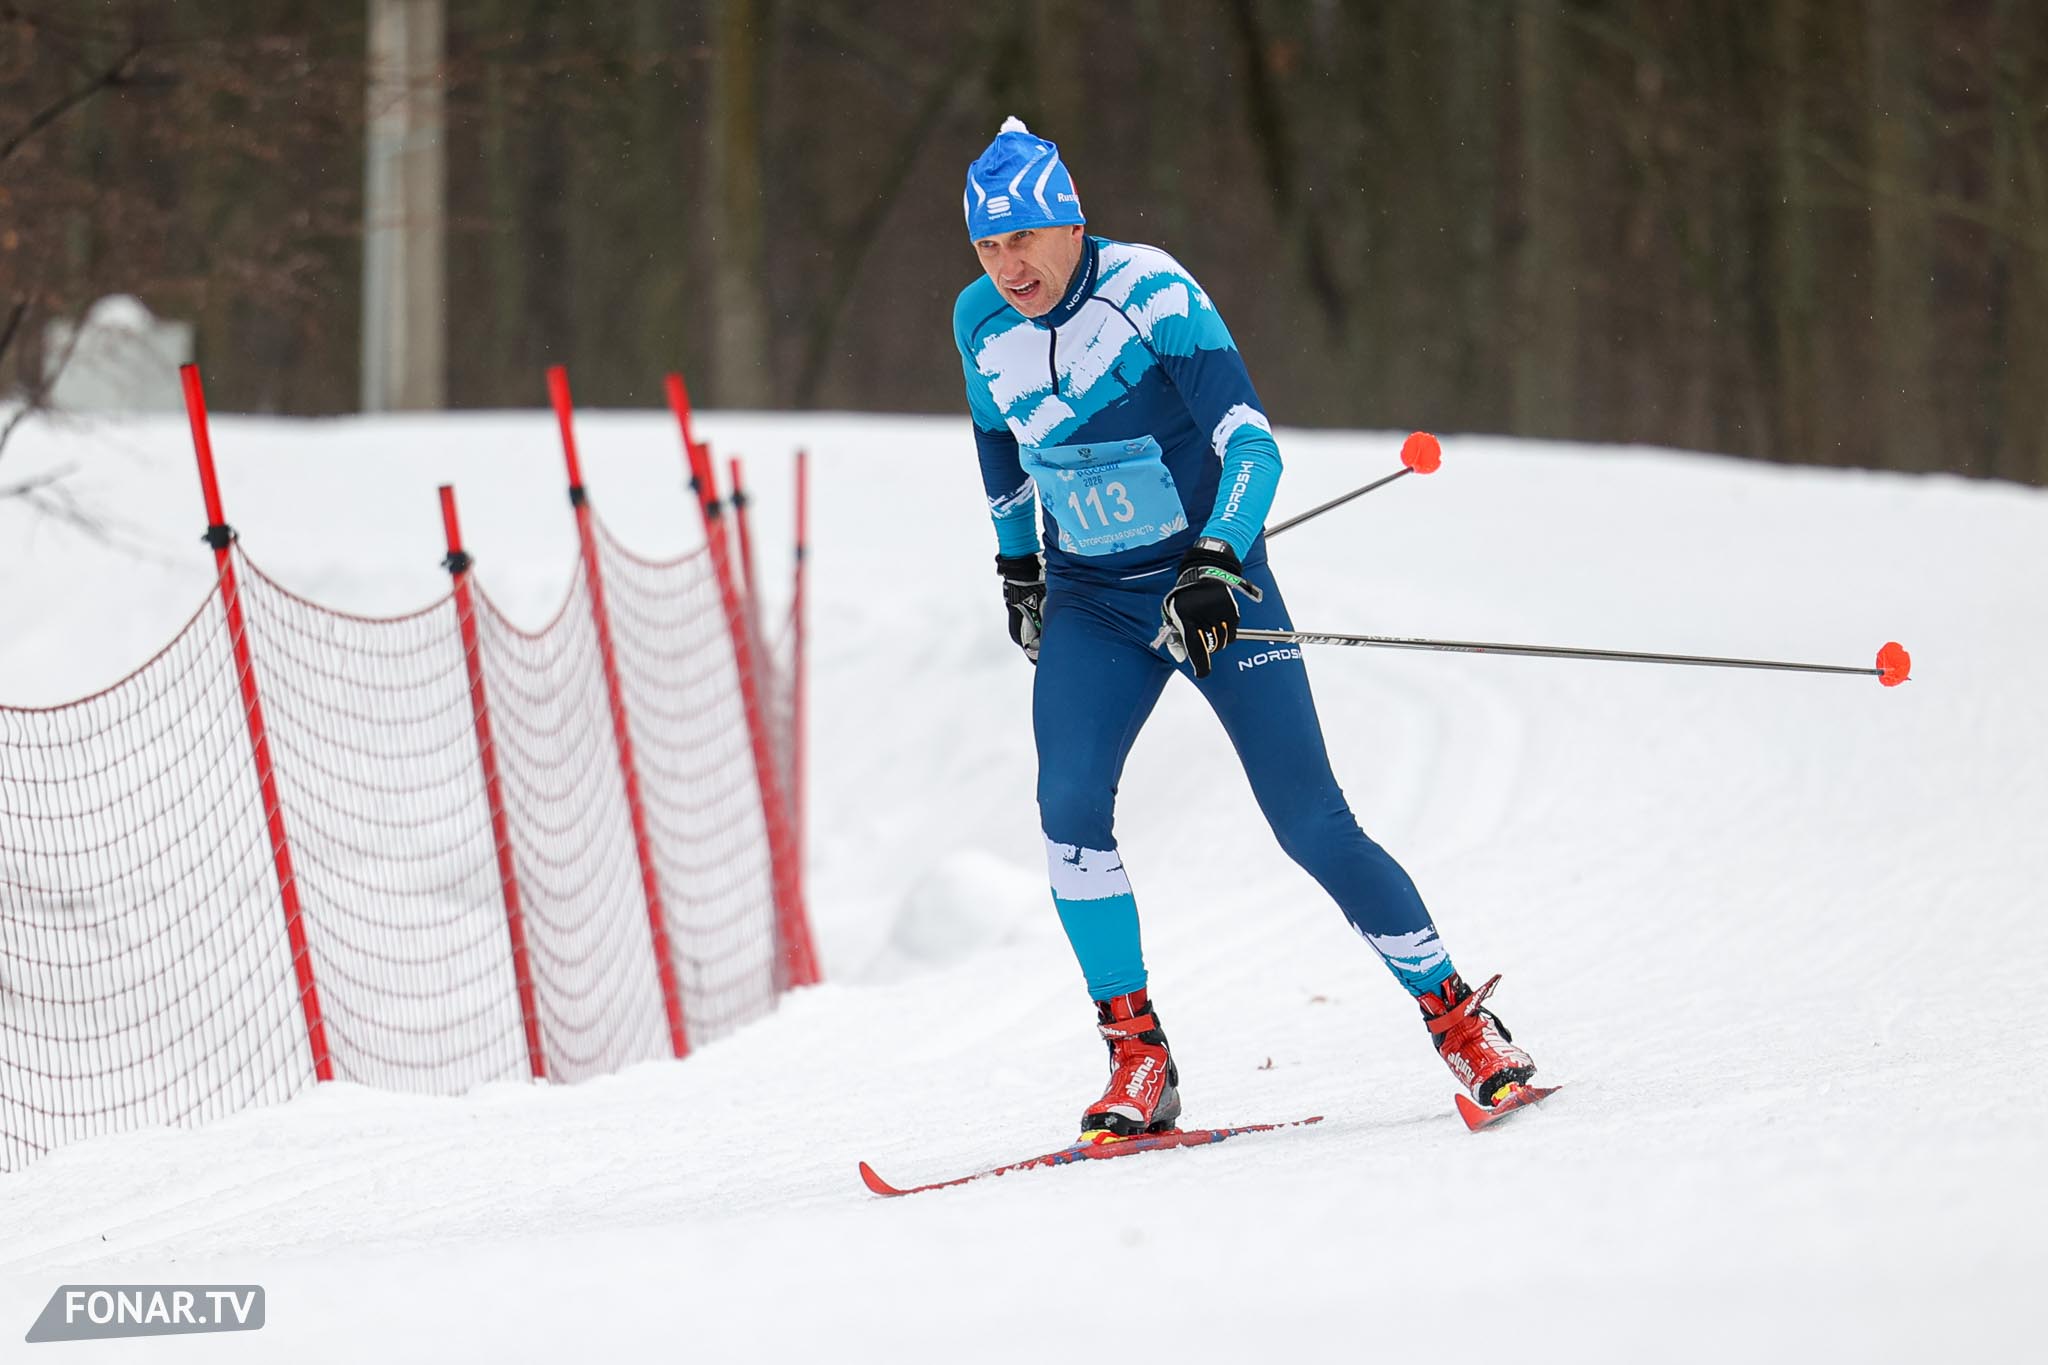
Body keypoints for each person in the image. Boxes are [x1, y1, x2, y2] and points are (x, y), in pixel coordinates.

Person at [954, 117, 1539, 1140]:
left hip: (1208, 588)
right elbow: (997, 442)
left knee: (1310, 821)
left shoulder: (1151, 293)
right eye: (988, 247)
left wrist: (1218, 558)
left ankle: (1459, 1021)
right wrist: (1017, 568)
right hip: (1092, 600)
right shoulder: (978, 320)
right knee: (1068, 809)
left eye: (1025, 240)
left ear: (1072, 224)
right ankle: (1137, 1057)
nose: (1009, 267)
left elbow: (1250, 444)